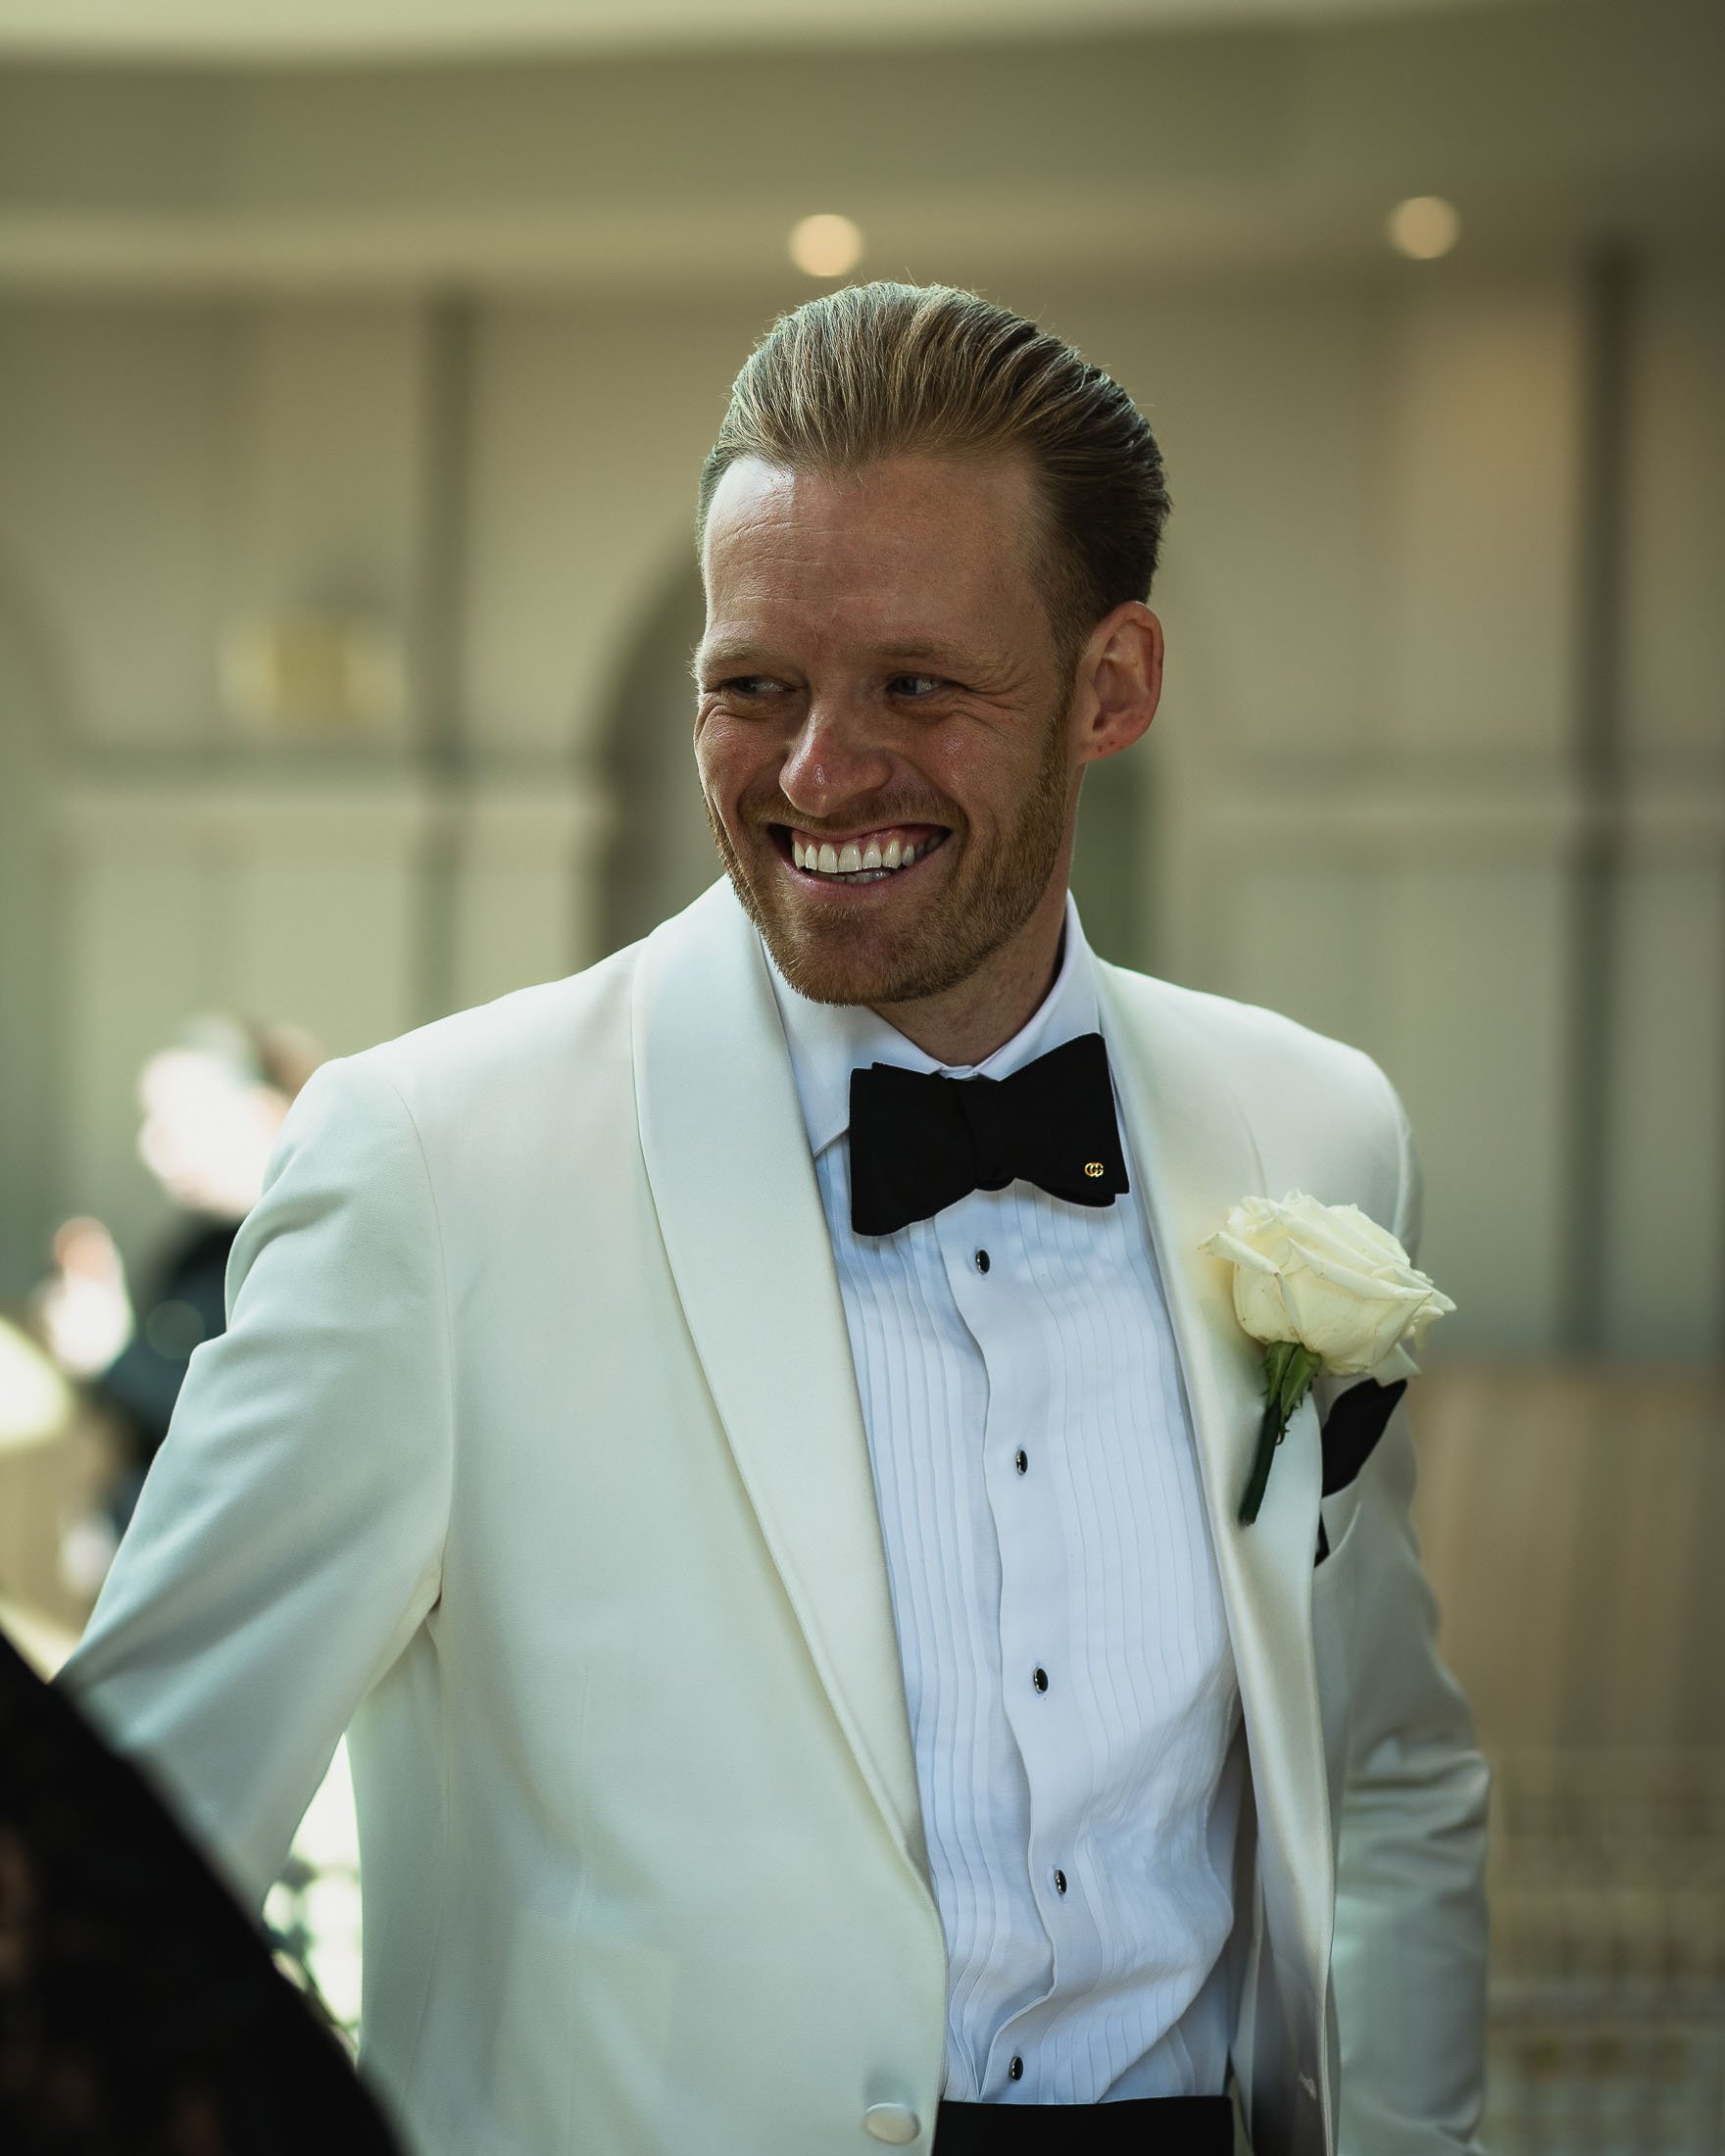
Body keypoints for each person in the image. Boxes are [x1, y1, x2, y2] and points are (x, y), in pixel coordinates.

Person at [60, 284, 1489, 2156]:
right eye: (755, 688)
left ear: (1112, 683)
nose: (818, 776)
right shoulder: (435, 1164)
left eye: (917, 686)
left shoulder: (1311, 1129)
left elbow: (1377, 1773)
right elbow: (111, 1865)